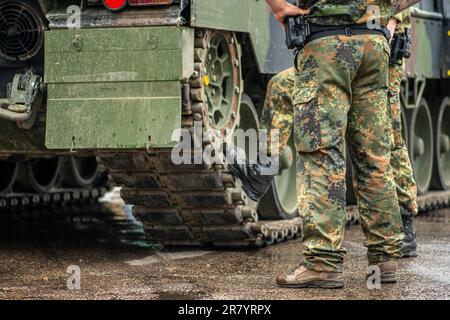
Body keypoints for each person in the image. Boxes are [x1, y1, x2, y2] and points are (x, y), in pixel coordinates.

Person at [263, 0, 404, 288]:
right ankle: (384, 259)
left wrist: (278, 6)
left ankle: (323, 263)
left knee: (322, 155)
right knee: (374, 156)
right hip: (374, 43)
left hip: (326, 43)